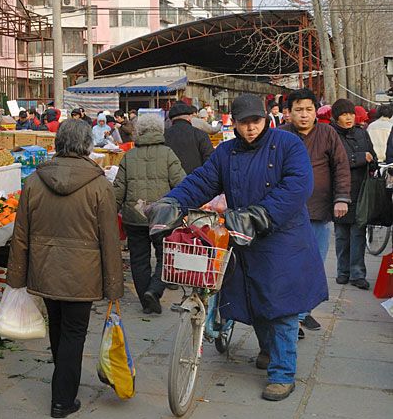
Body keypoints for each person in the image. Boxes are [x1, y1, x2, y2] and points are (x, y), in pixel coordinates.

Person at [149, 94, 328, 402]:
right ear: (235, 123)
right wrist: (174, 201)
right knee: (257, 299)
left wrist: (263, 213)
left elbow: (298, 186)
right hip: (243, 236)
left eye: (255, 122)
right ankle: (268, 351)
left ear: (265, 120)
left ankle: (283, 373)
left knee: (282, 308)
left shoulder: (288, 146)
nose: (250, 129)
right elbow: (202, 181)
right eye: (244, 123)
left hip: (283, 239)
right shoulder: (226, 152)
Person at [6, 119, 122, 418]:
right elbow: (110, 239)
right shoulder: (99, 186)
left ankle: (63, 381)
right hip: (82, 273)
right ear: (87, 145)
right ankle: (63, 399)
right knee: (74, 332)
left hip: (45, 268)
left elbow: (20, 234)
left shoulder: (33, 181)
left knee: (58, 327)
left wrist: (17, 276)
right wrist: (114, 287)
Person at [281, 89, 351, 333]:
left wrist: (341, 199)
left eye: (309, 109)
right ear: (288, 113)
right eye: (298, 110)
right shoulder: (279, 136)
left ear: (316, 112)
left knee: (313, 264)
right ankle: (290, 315)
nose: (304, 115)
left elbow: (341, 167)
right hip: (286, 213)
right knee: (287, 265)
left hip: (319, 210)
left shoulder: (327, 133)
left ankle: (302, 313)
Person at [113, 113, 185, 314]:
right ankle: (154, 291)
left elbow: (118, 189)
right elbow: (181, 183)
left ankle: (147, 300)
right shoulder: (168, 154)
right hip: (163, 217)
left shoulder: (129, 156)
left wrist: (111, 211)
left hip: (134, 216)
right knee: (166, 257)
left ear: (138, 132)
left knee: (139, 259)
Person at [330, 98, 377, 289]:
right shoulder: (331, 134)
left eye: (350, 113)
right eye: (343, 114)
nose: (348, 118)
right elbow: (334, 162)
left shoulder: (362, 133)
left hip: (361, 191)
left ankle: (357, 273)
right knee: (342, 235)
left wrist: (370, 160)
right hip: (340, 192)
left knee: (358, 233)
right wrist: (360, 158)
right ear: (336, 117)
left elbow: (371, 157)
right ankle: (343, 271)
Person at [164, 102, 214, 174]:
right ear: (189, 118)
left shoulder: (164, 136)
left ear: (172, 120)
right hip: (196, 181)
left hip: (171, 182)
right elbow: (209, 161)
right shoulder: (200, 134)